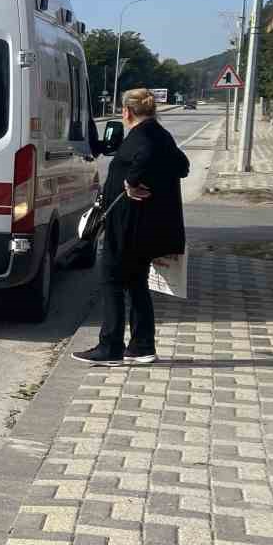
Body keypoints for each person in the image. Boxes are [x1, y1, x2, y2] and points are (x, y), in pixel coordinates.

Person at [73, 88, 188, 366]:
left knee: (111, 280)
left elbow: (147, 157)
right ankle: (142, 346)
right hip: (148, 225)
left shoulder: (143, 136)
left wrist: (131, 181)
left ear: (126, 112)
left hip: (128, 225)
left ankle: (110, 348)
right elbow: (182, 165)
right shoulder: (161, 134)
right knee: (136, 283)